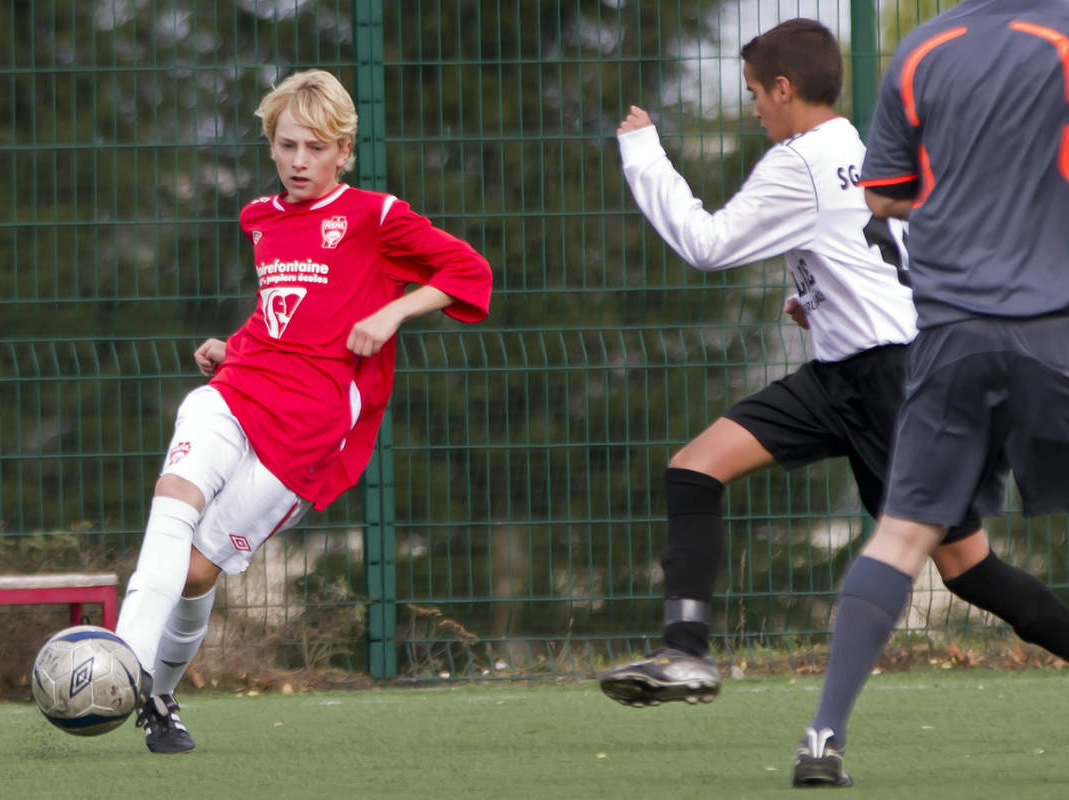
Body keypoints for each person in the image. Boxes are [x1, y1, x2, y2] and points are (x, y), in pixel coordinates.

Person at [597, 16, 1069, 720]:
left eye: (757, 92)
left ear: (784, 89)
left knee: (967, 568)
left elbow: (706, 243)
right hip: (851, 369)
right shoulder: (864, 147)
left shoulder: (801, 162)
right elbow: (892, 243)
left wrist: (642, 151)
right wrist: (816, 298)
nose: (754, 108)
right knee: (695, 467)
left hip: (887, 381)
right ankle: (686, 652)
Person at [113, 69, 492, 754]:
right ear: (270, 145)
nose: (297, 162)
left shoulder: (376, 217)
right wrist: (235, 345)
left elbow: (469, 272)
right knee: (174, 498)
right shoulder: (259, 219)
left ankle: (160, 691)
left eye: (315, 148)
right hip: (237, 389)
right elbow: (288, 312)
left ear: (344, 151)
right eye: (286, 145)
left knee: (198, 573)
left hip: (309, 433)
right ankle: (123, 666)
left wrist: (392, 312)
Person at [793, 1, 1069, 787]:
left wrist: (963, 204)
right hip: (1053, 328)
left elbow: (882, 194)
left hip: (948, 337)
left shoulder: (922, 48)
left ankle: (821, 739)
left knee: (901, 537)